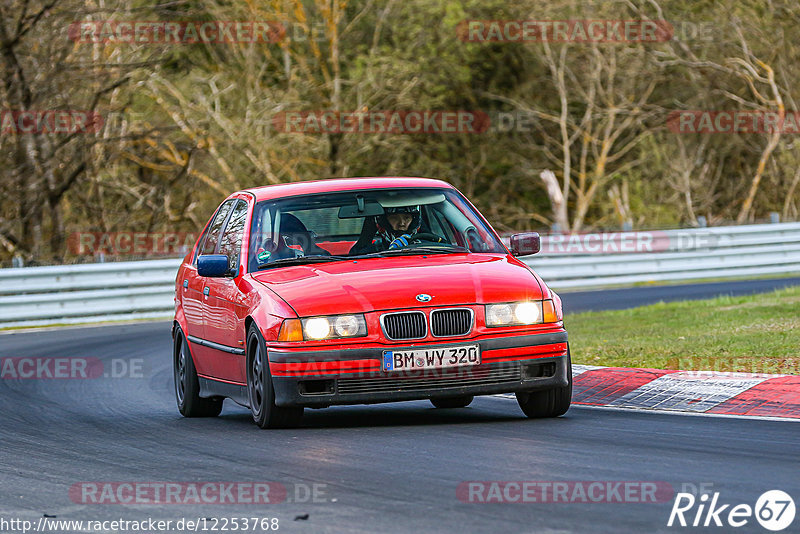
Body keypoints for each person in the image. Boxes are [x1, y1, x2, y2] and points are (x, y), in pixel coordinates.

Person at [349, 205, 424, 254]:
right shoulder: (369, 253)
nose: (402, 223)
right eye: (395, 218)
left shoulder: (427, 248)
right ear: (384, 222)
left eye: (407, 218)